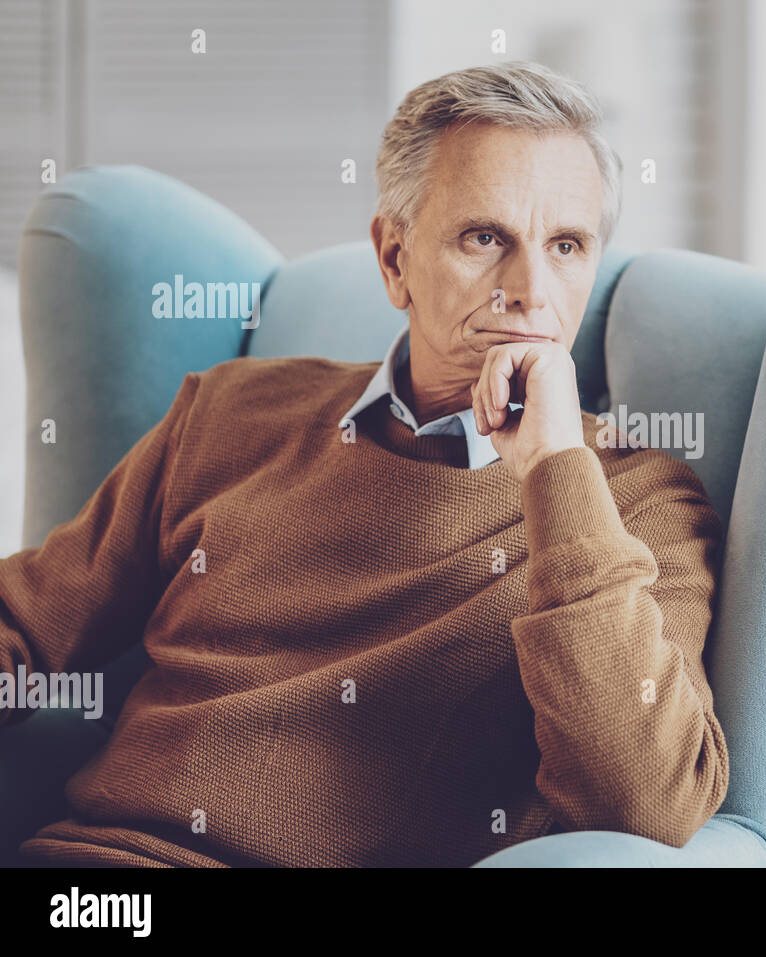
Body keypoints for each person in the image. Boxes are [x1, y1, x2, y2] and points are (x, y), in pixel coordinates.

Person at [0, 61, 728, 867]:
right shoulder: (230, 410)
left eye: (566, 245)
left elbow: (644, 800)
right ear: (393, 257)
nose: (529, 289)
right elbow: (25, 622)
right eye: (485, 238)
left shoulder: (636, 501)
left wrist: (557, 466)